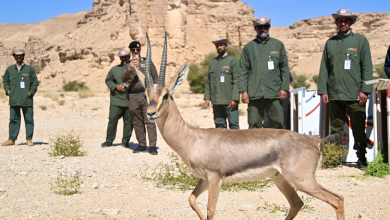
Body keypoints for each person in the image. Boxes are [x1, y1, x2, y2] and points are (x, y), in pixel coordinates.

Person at [317, 9, 373, 170]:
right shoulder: (330, 43)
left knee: (358, 128)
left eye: (346, 20)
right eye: (340, 20)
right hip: (334, 94)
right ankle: (336, 159)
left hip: (356, 94)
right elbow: (324, 69)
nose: (343, 23)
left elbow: (367, 68)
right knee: (336, 129)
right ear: (336, 22)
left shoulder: (361, 41)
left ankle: (361, 157)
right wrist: (323, 90)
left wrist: (364, 90)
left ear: (351, 22)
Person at [238, 16, 290, 129]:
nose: (263, 29)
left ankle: (278, 147)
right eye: (260, 27)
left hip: (274, 92)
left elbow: (284, 68)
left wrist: (284, 88)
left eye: (265, 26)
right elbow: (243, 71)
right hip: (254, 93)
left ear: (269, 27)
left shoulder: (278, 45)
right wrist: (243, 91)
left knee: (278, 123)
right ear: (255, 28)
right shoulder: (248, 47)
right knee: (254, 124)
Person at [122, 41, 159, 155]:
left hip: (146, 94)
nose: (135, 51)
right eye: (133, 49)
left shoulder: (146, 62)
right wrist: (130, 68)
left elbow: (155, 76)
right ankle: (142, 144)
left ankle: (152, 146)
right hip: (133, 96)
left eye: (137, 49)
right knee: (137, 122)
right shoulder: (127, 64)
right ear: (131, 51)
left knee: (149, 121)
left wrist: (155, 90)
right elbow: (123, 79)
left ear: (140, 50)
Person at [2, 48, 38, 146]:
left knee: (29, 119)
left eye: (21, 55)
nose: (19, 57)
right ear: (14, 56)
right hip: (14, 99)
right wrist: (8, 91)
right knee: (13, 119)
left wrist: (30, 93)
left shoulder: (29, 69)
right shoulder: (9, 69)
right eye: (17, 55)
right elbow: (5, 81)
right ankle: (11, 139)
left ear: (23, 56)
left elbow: (35, 82)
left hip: (27, 99)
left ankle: (29, 139)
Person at [204, 38, 240, 129]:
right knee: (219, 126)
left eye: (221, 45)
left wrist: (235, 98)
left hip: (229, 101)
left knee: (234, 126)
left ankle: (235, 143)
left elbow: (236, 81)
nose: (219, 47)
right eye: (217, 46)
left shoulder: (233, 61)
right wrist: (207, 97)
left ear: (226, 47)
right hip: (216, 101)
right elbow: (208, 81)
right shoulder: (213, 62)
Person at [101, 50, 133, 148]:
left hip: (130, 101)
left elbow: (141, 81)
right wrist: (115, 87)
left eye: (126, 57)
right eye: (122, 57)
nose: (124, 59)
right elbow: (108, 80)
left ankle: (125, 142)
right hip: (116, 100)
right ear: (120, 58)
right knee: (112, 120)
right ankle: (109, 140)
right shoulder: (114, 69)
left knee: (129, 122)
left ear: (129, 56)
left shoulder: (135, 69)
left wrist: (130, 86)